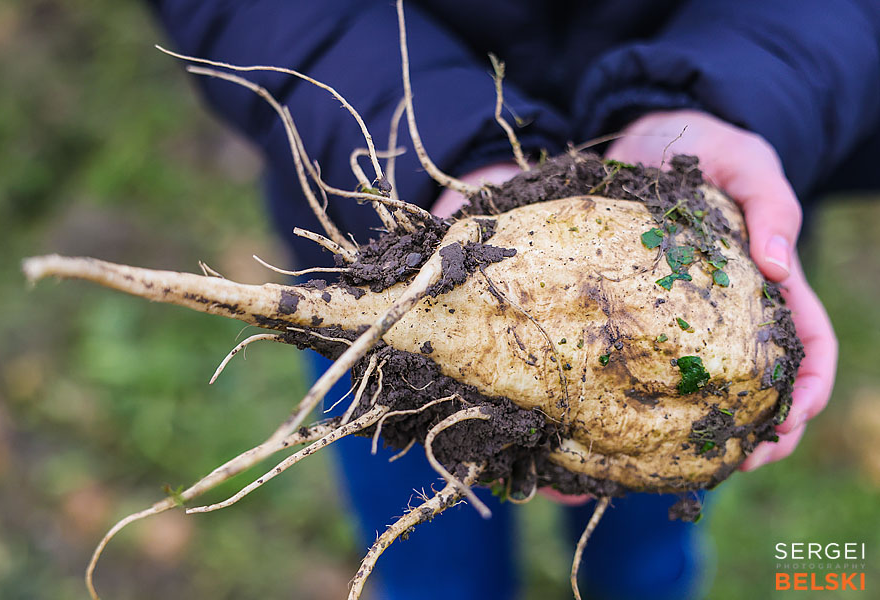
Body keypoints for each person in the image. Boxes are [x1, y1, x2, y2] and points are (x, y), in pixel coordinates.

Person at [149, 1, 879, 597]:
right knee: (433, 566)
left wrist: (723, 107)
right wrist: (448, 163)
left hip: (712, 251)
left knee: (647, 556)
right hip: (394, 225)